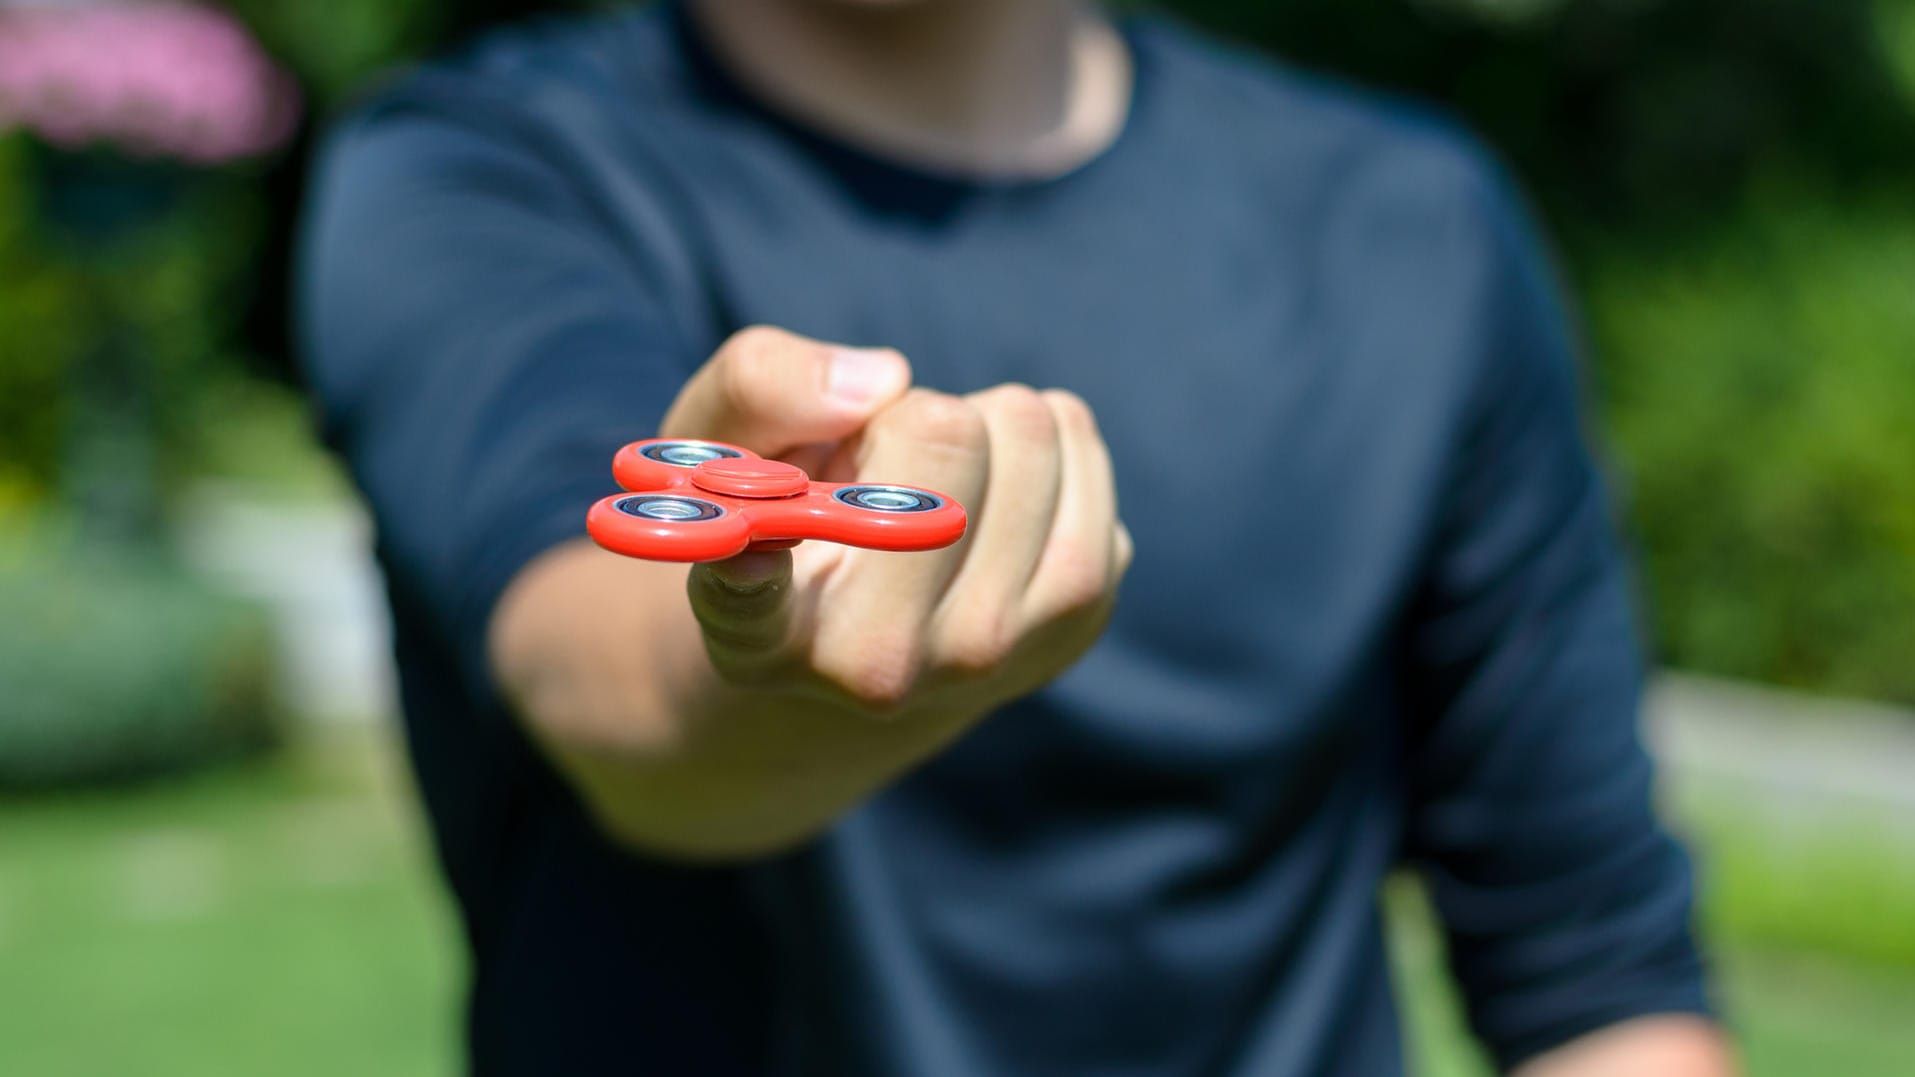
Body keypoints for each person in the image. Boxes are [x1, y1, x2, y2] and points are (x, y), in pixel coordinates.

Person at [297, 1, 1734, 1073]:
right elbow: (601, 689)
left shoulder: (1415, 228)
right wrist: (767, 651)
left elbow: (1595, 971)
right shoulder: (479, 170)